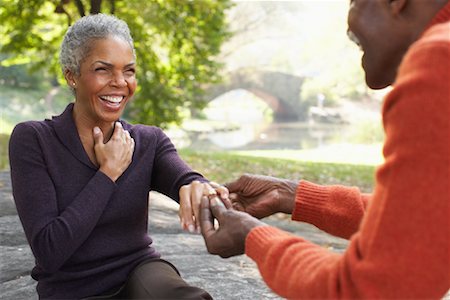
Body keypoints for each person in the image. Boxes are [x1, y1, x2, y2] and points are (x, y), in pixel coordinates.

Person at [200, 0, 450, 298]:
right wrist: (289, 194)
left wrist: (253, 236)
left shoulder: (438, 60)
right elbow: (419, 219)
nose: (347, 29)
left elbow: (370, 290)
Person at [9, 14, 227, 300]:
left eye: (129, 71)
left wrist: (197, 184)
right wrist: (108, 174)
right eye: (103, 69)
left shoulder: (148, 141)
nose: (120, 82)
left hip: (139, 271)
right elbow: (50, 251)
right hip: (72, 289)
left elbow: (184, 177)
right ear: (71, 75)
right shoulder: (34, 140)